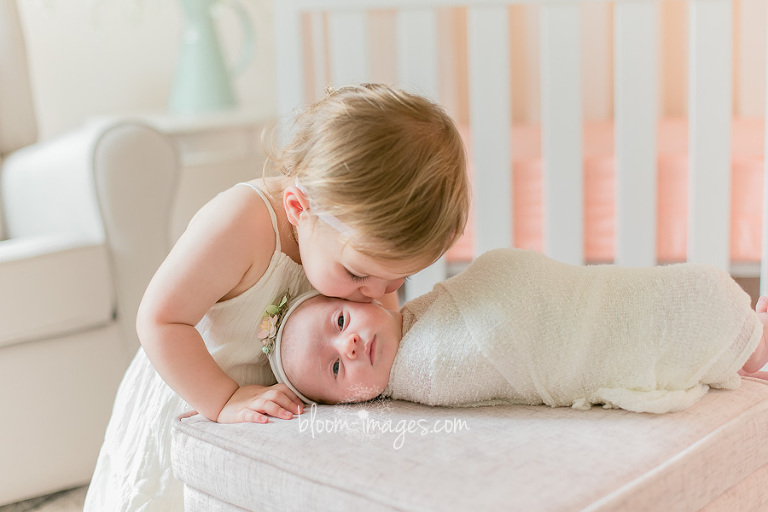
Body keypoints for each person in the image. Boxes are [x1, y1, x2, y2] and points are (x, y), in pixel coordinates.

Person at [84, 83, 470, 511]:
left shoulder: (356, 259)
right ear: (298, 208)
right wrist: (224, 398)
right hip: (194, 390)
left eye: (398, 280)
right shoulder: (241, 224)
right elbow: (159, 320)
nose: (375, 296)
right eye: (359, 274)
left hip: (267, 414)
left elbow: (383, 328)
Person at [268, 248, 768, 414]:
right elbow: (501, 336)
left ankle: (747, 331)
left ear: (365, 296)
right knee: (703, 324)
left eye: (339, 322)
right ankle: (750, 337)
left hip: (610, 297)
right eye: (336, 367)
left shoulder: (419, 312)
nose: (349, 343)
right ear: (350, 402)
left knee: (672, 299)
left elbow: (517, 286)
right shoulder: (425, 372)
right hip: (594, 338)